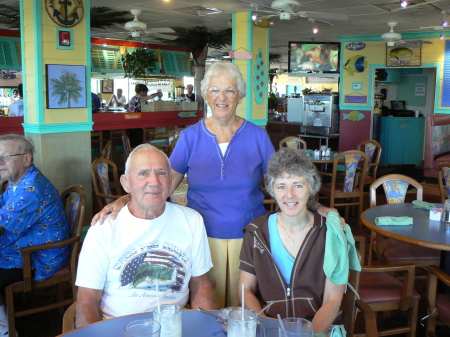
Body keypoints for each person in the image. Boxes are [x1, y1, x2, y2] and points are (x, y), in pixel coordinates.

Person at [93, 62, 343, 309]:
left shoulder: (257, 135)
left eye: (230, 90)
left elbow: (282, 183)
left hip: (249, 235)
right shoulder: (190, 137)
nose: (222, 97)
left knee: (244, 306)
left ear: (239, 95)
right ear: (206, 95)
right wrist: (124, 200)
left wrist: (317, 206)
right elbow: (160, 185)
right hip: (199, 234)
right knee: (206, 304)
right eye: (215, 90)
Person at [75, 144, 215, 328]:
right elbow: (87, 300)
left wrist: (206, 328)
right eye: (143, 173)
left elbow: (200, 284)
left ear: (171, 179)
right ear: (126, 183)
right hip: (117, 328)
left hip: (173, 327)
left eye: (162, 173)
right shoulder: (102, 229)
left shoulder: (192, 220)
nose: (154, 181)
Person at [239, 148, 357, 333]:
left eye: (298, 185)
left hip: (320, 329)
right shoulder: (256, 232)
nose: (290, 194)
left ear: (311, 188)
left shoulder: (330, 232)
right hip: (269, 328)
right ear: (272, 190)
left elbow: (332, 300)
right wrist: (265, 328)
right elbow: (245, 290)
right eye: (281, 186)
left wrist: (307, 334)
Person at [0, 134, 69, 335]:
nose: (0, 162)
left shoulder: (30, 188)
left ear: (26, 159)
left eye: (5, 156)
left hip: (37, 257)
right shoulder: (17, 182)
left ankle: (5, 332)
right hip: (22, 248)